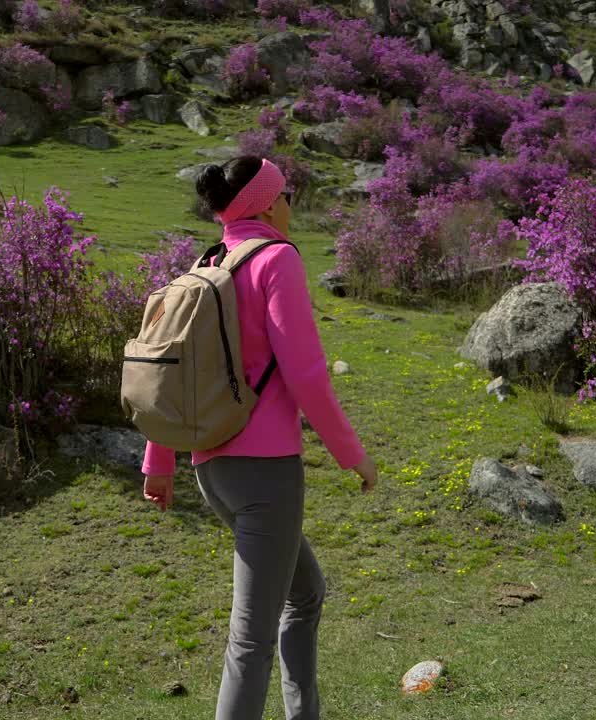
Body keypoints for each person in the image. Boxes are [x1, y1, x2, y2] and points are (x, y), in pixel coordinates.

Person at [140, 155, 378, 720]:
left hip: (211, 471)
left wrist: (160, 462)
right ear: (269, 203)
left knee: (305, 592)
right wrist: (354, 457)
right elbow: (308, 376)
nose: (293, 204)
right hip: (266, 473)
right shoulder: (276, 259)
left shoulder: (207, 261)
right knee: (250, 641)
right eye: (288, 194)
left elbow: (167, 369)